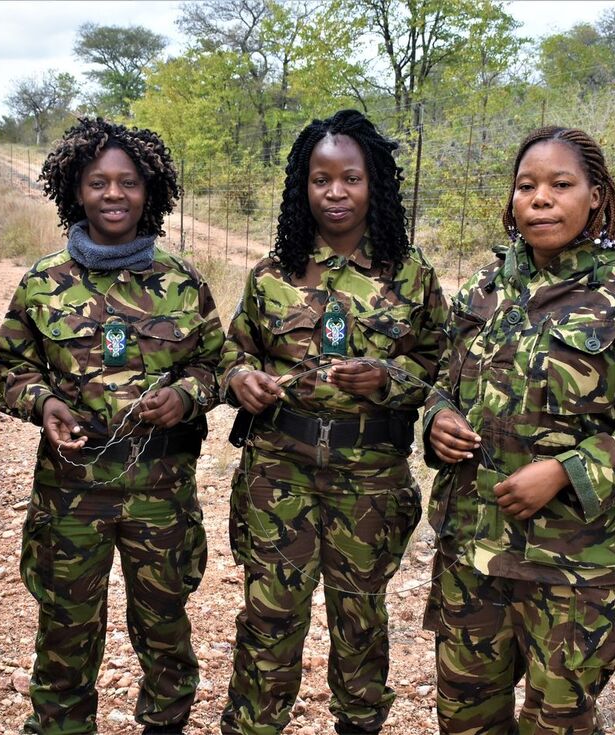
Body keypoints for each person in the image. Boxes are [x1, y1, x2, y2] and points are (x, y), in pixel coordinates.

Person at [423, 126, 615, 734]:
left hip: (574, 566)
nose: (540, 199)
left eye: (561, 185)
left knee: (558, 721)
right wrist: (438, 419)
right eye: (526, 186)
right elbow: (444, 382)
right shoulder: (486, 288)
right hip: (472, 553)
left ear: (596, 196)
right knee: (464, 717)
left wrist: (565, 471)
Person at [0, 117, 224, 735]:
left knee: (166, 629)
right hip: (71, 494)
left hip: (161, 493)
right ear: (76, 190)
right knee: (65, 631)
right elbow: (8, 367)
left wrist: (185, 396)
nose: (113, 195)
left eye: (128, 182)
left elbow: (216, 365)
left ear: (151, 192)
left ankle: (165, 725)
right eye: (98, 183)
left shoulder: (181, 282)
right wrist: (42, 404)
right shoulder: (44, 282)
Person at [218, 109, 450, 735]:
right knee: (269, 617)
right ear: (303, 187)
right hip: (279, 470)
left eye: (351, 178)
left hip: (370, 475)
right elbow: (233, 353)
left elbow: (445, 368)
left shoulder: (410, 274)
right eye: (321, 180)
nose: (336, 193)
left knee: (360, 619)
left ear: (374, 184)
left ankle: (360, 722)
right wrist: (242, 381)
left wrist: (388, 380)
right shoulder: (272, 273)